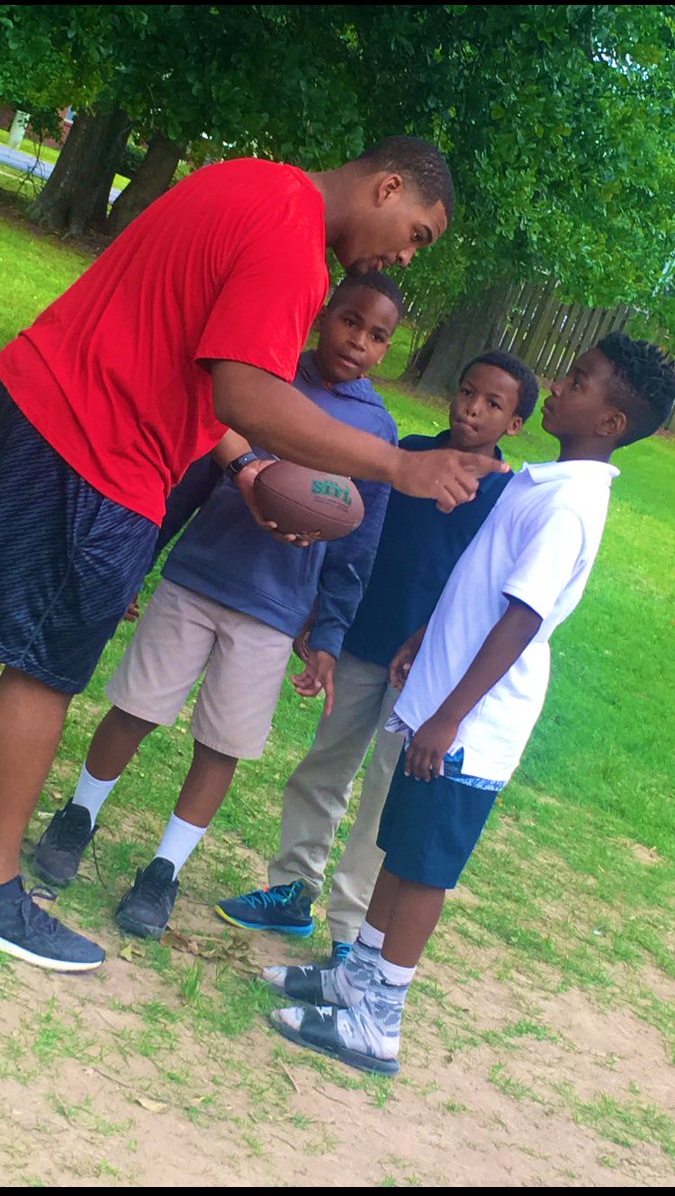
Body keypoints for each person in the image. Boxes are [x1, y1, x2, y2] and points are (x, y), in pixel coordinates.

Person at [0, 135, 509, 973]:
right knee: (40, 673)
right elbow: (247, 394)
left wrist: (245, 469)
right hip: (99, 454)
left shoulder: (249, 183)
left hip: (37, 398)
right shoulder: (295, 242)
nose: (404, 257)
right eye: (416, 235)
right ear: (388, 188)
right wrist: (396, 466)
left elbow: (191, 361)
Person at [260, 333, 675, 1075]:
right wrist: (426, 635)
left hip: (470, 725)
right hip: (439, 700)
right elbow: (482, 583)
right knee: (399, 848)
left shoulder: (570, 505)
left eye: (579, 381)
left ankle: (379, 1021)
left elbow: (523, 616)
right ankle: (354, 981)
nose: (559, 384)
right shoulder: (541, 482)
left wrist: (449, 717)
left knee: (423, 870)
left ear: (611, 422)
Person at [32, 271, 403, 941]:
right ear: (324, 314)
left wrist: (328, 633)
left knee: (221, 745)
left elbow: (360, 544)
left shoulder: (377, 430)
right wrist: (138, 562)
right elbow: (193, 474)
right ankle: (77, 816)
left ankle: (164, 871)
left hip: (274, 610)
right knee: (135, 709)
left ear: (388, 349)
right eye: (350, 321)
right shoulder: (264, 380)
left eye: (377, 336)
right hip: (198, 577)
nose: (359, 341)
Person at [216, 350, 540, 961]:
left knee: (384, 799)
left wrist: (434, 652)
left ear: (515, 423)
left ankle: (351, 928)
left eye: (493, 403)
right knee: (323, 767)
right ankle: (291, 890)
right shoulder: (408, 456)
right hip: (363, 640)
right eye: (467, 391)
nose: (472, 408)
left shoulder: (508, 497)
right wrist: (325, 617)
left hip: (426, 669)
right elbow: (359, 538)